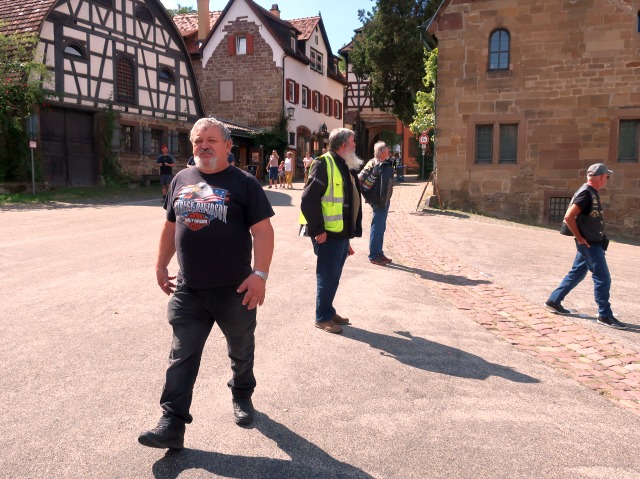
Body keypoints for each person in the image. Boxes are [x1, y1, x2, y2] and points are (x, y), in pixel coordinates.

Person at [138, 117, 275, 450]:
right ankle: (172, 423)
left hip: (235, 290)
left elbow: (262, 231)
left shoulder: (244, 183)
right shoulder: (181, 178)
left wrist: (260, 275)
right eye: (198, 141)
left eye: (211, 141)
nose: (204, 146)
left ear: (228, 145)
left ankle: (242, 394)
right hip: (189, 290)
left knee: (241, 350)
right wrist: (160, 264)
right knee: (181, 356)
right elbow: (171, 226)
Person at [545, 163, 626, 330]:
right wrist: (580, 238)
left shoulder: (590, 192)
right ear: (601, 177)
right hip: (589, 244)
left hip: (591, 242)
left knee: (577, 273)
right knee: (602, 278)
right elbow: (569, 217)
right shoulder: (586, 194)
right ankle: (605, 315)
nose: (607, 180)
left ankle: (554, 300)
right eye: (607, 177)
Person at [300, 128, 363, 334]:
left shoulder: (344, 164)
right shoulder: (324, 163)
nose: (355, 145)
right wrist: (318, 230)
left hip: (340, 233)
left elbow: (346, 202)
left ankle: (328, 310)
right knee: (327, 276)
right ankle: (322, 317)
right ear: (343, 145)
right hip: (327, 233)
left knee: (334, 276)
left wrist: (348, 236)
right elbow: (308, 200)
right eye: (353, 142)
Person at [359, 141, 394, 266]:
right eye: (387, 149)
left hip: (377, 200)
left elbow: (360, 178)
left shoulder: (372, 162)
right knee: (377, 227)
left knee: (380, 227)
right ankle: (374, 255)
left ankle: (379, 252)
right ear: (382, 152)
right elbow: (384, 186)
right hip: (379, 201)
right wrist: (380, 201)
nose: (388, 151)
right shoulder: (379, 164)